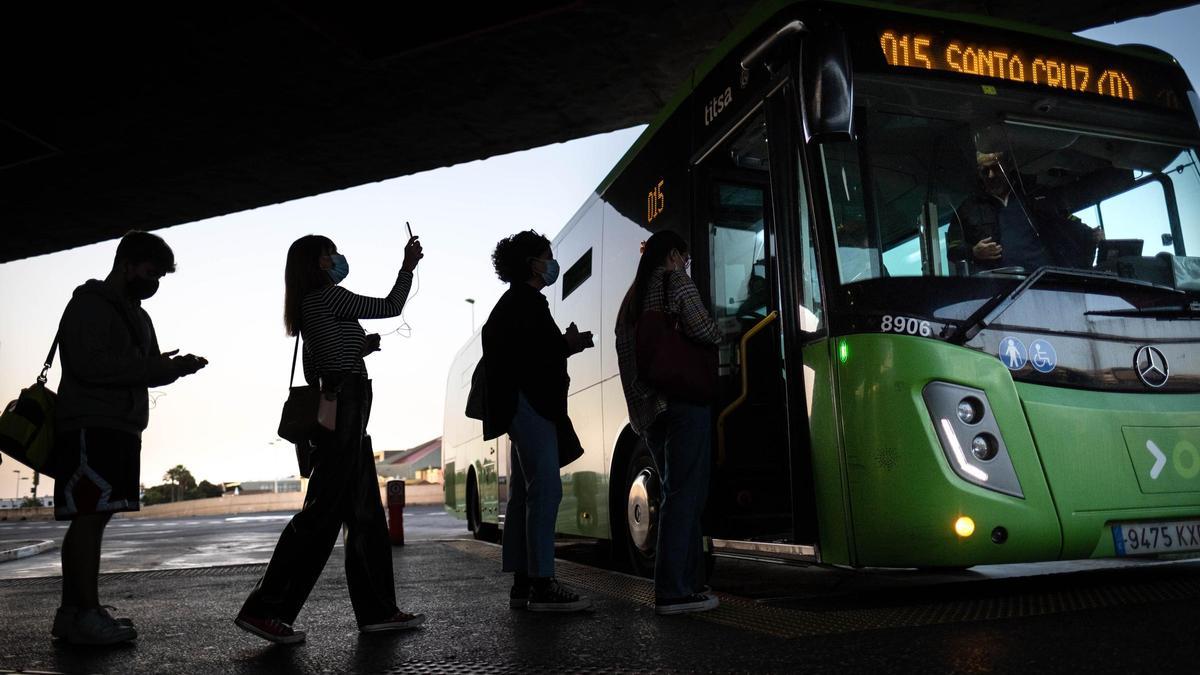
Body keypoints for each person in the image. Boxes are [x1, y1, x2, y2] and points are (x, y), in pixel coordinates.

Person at [235, 233, 425, 644]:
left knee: (365, 515)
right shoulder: (330, 297)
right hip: (347, 404)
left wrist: (360, 348)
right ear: (318, 262)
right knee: (322, 514)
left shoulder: (308, 308)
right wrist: (408, 266)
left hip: (340, 401)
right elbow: (390, 307)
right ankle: (264, 609)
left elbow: (314, 367)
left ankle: (378, 611)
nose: (337, 258)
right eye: (331, 252)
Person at [52, 230, 208, 646]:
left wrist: (172, 368)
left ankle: (77, 612)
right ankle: (82, 613)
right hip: (89, 425)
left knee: (96, 517)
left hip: (122, 426)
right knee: (88, 516)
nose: (154, 281)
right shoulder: (88, 304)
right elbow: (90, 365)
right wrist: (151, 367)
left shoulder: (139, 315)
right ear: (127, 264)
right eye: (151, 271)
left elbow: (144, 367)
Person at [480, 230, 594, 612]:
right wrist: (570, 343)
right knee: (546, 491)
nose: (551, 263)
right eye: (547, 256)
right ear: (533, 264)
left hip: (518, 407)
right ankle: (543, 583)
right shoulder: (527, 303)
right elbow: (539, 353)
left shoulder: (509, 305)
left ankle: (523, 582)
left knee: (524, 496)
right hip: (531, 405)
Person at [615, 230, 722, 616]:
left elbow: (630, 362)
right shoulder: (675, 280)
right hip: (684, 399)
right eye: (685, 257)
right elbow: (705, 330)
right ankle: (675, 590)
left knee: (677, 491)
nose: (685, 264)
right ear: (674, 254)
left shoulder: (629, 301)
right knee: (686, 494)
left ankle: (690, 584)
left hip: (649, 410)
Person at [949, 151, 1102, 273]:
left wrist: (1091, 235)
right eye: (984, 171)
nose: (991, 175)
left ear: (1007, 166)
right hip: (998, 291)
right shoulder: (968, 209)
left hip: (1044, 282)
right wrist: (974, 252)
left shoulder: (1037, 194)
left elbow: (1065, 222)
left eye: (996, 168)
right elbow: (953, 251)